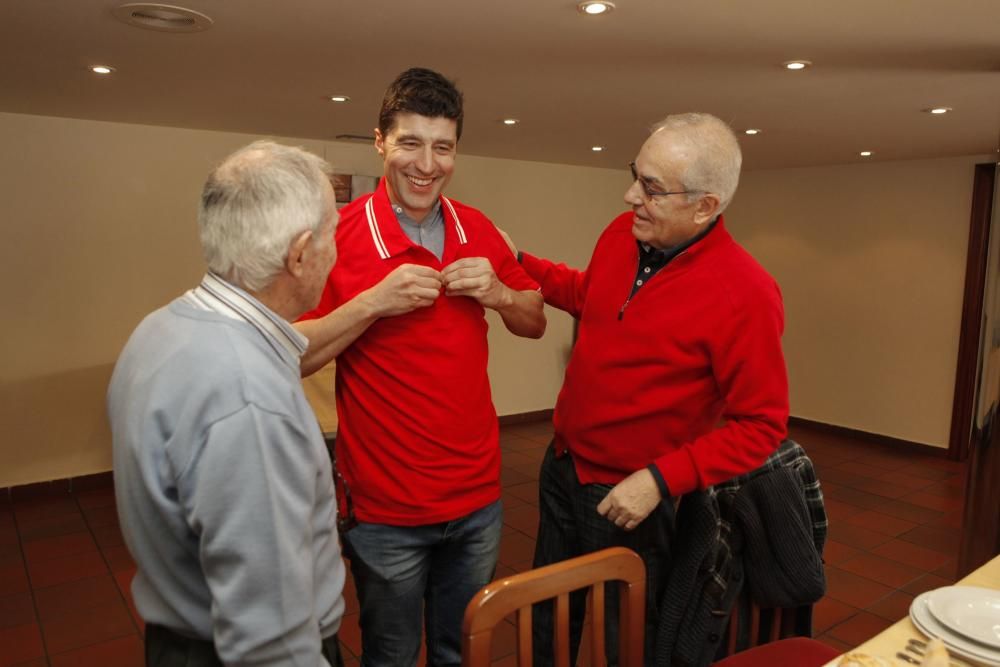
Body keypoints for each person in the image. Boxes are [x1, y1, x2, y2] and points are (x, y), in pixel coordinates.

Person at [505, 112, 789, 665]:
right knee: (548, 618)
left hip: (630, 498)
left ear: (706, 205)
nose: (630, 194)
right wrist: (517, 263)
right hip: (563, 465)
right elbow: (592, 295)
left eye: (652, 188)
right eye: (636, 173)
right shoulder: (625, 231)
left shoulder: (746, 293)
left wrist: (659, 480)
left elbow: (762, 426)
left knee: (624, 641)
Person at [295, 67, 546, 667]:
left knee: (461, 653)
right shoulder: (337, 236)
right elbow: (293, 352)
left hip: (478, 499)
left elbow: (534, 319)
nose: (426, 164)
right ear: (380, 141)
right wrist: (372, 303)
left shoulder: (477, 228)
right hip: (385, 508)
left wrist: (501, 294)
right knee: (392, 655)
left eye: (443, 147)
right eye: (410, 142)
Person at [108, 141, 347, 666]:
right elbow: (270, 642)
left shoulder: (161, 328)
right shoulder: (248, 398)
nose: (338, 249)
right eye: (334, 233)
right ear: (301, 253)